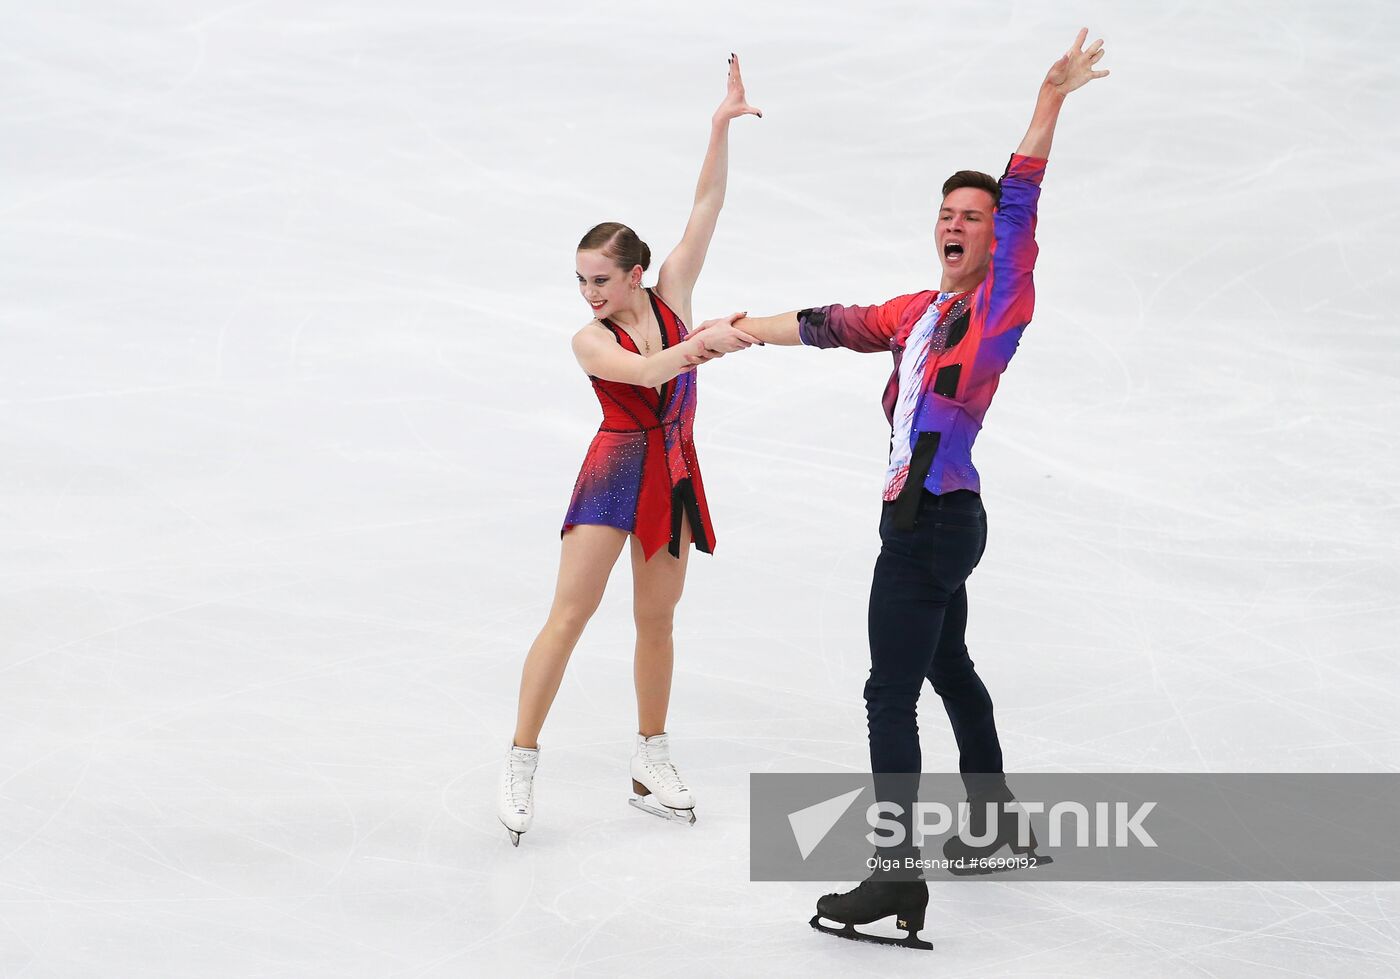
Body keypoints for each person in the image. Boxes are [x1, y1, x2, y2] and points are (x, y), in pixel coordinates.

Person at [704, 30, 1110, 946]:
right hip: (942, 517)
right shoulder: (918, 313)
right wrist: (739, 328)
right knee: (946, 665)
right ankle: (995, 819)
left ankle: (897, 877)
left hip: (930, 521)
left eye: (972, 214)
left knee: (889, 694)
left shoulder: (996, 302)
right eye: (947, 213)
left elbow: (1023, 209)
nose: (957, 224)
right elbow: (834, 322)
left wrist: (1046, 105)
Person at [498, 56, 762, 846]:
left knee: (658, 620)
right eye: (582, 279)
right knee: (571, 615)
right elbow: (645, 372)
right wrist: (705, 347)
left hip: (674, 468)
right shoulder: (589, 338)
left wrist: (718, 127)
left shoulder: (672, 292)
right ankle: (520, 756)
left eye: (602, 279)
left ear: (637, 271)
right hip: (616, 470)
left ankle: (651, 760)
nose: (590, 293)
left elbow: (706, 204)